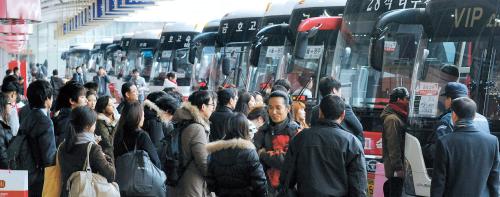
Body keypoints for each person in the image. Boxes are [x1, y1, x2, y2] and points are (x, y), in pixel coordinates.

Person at [280, 95, 367, 196]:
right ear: (343, 115)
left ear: (320, 112)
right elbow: (358, 187)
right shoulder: (352, 142)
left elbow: (286, 179)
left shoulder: (300, 138)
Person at [431, 97, 499, 196]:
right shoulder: (492, 141)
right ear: (474, 115)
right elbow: (495, 180)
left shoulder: (444, 142)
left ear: (453, 115)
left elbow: (439, 181)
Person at [423, 82, 491, 166]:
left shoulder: (449, 118)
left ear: (450, 100)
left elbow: (438, 151)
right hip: (479, 170)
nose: (444, 102)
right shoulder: (483, 119)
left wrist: (426, 149)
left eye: (445, 98)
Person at [206, 113, 268, 197]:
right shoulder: (249, 153)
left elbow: (211, 184)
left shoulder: (216, 151)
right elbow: (260, 184)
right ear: (244, 128)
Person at [59, 106, 115, 197]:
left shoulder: (62, 146)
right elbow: (111, 175)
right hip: (87, 193)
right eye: (94, 123)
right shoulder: (93, 149)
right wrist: (106, 155)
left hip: (68, 193)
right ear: (88, 126)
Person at [169, 90, 215, 197]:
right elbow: (203, 162)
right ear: (203, 107)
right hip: (192, 185)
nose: (213, 108)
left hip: (179, 180)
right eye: (212, 104)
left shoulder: (183, 121)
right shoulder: (197, 128)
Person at [254, 90, 300, 194]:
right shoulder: (263, 130)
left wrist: (263, 154)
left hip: (288, 188)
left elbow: (287, 161)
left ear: (287, 109)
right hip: (264, 186)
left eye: (278, 108)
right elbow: (252, 154)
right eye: (270, 107)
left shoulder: (295, 131)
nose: (273, 112)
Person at [20, 80, 56, 196]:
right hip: (39, 177)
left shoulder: (27, 116)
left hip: (26, 172)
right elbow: (49, 158)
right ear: (46, 99)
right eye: (51, 97)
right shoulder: (45, 122)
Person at [310, 77, 364, 145]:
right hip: (341, 144)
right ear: (334, 90)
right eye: (340, 90)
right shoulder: (343, 107)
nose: (341, 93)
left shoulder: (315, 109)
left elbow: (313, 127)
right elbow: (359, 128)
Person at [380, 87, 409, 197]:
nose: (408, 101)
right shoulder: (392, 119)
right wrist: (398, 168)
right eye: (406, 99)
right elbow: (393, 146)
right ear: (398, 100)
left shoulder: (399, 116)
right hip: (395, 169)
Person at [113, 101, 160, 167]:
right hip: (140, 175)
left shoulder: (118, 133)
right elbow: (155, 162)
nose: (144, 118)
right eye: (143, 115)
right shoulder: (142, 136)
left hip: (122, 174)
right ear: (137, 116)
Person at [0, 94, 13, 169]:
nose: (11, 106)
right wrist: (9, 168)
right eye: (9, 103)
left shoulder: (4, 123)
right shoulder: (0, 125)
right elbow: (2, 153)